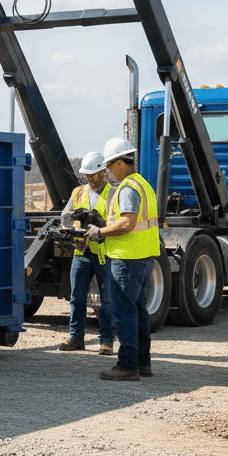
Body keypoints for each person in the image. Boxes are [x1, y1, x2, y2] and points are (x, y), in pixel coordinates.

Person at [84, 137, 161, 381]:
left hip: (127, 258)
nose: (106, 170)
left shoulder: (128, 187)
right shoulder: (142, 184)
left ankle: (127, 366)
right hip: (143, 256)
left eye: (108, 165)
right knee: (138, 311)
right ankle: (142, 363)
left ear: (119, 162)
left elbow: (127, 223)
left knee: (124, 312)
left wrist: (100, 232)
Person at [57, 152, 116, 355]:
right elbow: (64, 217)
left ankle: (107, 341)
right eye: (87, 175)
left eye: (93, 174)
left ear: (103, 171)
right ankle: (76, 338)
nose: (90, 178)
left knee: (107, 299)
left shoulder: (113, 193)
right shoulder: (78, 192)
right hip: (81, 252)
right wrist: (74, 216)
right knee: (77, 297)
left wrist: (100, 223)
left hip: (103, 253)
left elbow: (117, 224)